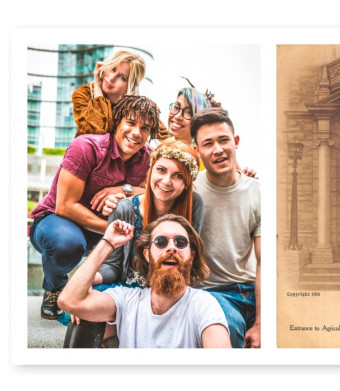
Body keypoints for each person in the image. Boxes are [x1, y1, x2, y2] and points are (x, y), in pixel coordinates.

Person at [61, 139, 204, 348]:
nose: (166, 181)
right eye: (161, 170)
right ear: (150, 171)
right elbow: (113, 265)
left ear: (186, 183)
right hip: (127, 288)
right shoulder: (125, 209)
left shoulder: (194, 205)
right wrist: (91, 279)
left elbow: (190, 261)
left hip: (168, 289)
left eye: (178, 175)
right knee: (83, 312)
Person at [29, 94, 160, 320]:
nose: (137, 132)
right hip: (56, 221)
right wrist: (112, 231)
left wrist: (124, 188)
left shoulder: (150, 159)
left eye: (145, 127)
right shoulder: (86, 147)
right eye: (130, 122)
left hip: (105, 230)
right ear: (117, 122)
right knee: (67, 244)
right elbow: (65, 206)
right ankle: (54, 287)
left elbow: (158, 191)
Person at [58, 215, 231, 348]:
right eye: (161, 242)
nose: (171, 247)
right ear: (147, 255)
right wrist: (107, 243)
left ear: (191, 257)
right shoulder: (126, 299)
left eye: (180, 242)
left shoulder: (203, 305)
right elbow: (69, 300)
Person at [190, 107, 261, 348]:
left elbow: (264, 263)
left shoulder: (258, 192)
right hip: (214, 293)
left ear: (236, 141)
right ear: (197, 151)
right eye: (208, 144)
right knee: (228, 330)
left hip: (253, 289)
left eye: (223, 140)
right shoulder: (190, 192)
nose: (218, 149)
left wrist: (261, 322)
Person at [72, 50, 147, 138]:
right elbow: (96, 132)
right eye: (113, 69)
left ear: (130, 85)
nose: (111, 78)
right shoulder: (83, 94)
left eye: (122, 77)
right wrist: (98, 88)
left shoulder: (134, 108)